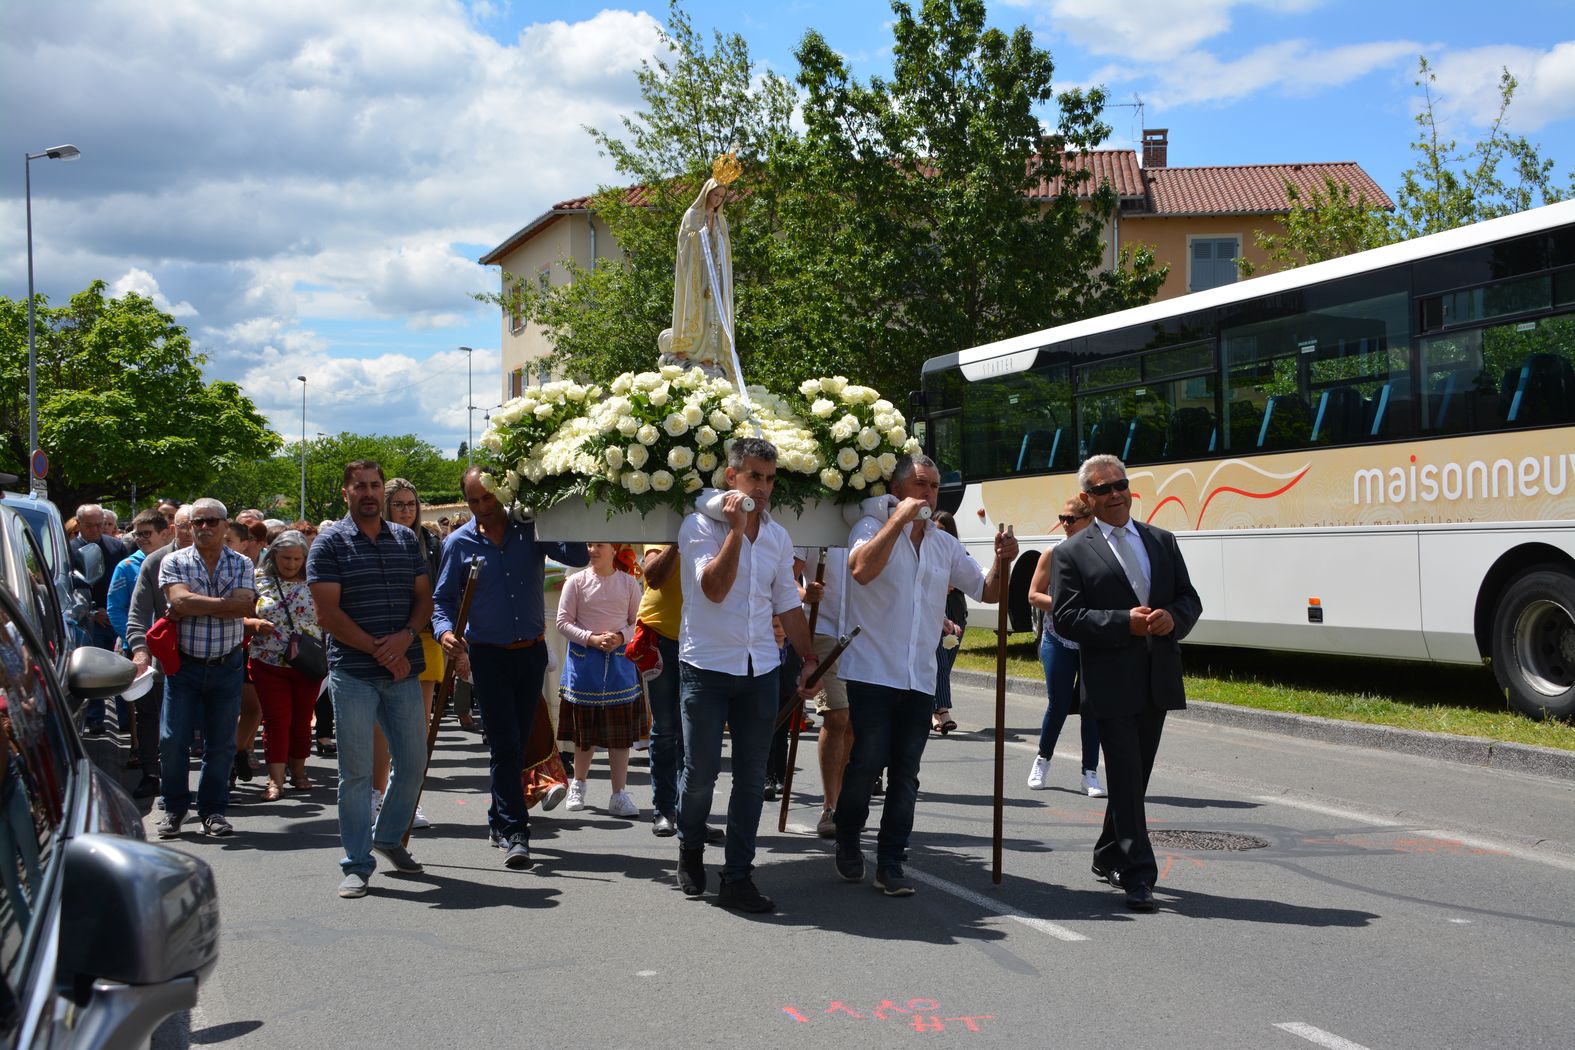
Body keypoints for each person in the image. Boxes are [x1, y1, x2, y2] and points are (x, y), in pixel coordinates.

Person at [832, 455, 1015, 897]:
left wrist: (1003, 561)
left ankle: (892, 861)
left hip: (919, 677)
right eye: (919, 484)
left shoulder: (943, 544)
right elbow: (860, 570)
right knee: (866, 764)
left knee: (907, 774)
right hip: (873, 672)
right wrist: (897, 521)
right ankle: (848, 838)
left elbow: (987, 591)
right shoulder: (870, 527)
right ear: (896, 489)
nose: (928, 494)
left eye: (934, 487)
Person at [1051, 454, 1202, 913]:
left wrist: (1170, 619)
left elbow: (1188, 598)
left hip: (1157, 677)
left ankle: (1107, 852)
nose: (1115, 494)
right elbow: (1067, 617)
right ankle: (1139, 875)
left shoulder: (1161, 540)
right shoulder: (1072, 553)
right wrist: (1124, 623)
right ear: (1087, 499)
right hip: (1109, 683)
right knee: (1125, 773)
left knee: (1134, 780)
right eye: (1103, 489)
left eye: (1121, 485)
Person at [674, 437, 816, 913]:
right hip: (707, 667)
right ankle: (691, 846)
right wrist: (735, 531)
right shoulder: (697, 526)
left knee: (752, 779)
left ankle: (737, 875)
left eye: (771, 478)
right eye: (756, 476)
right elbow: (713, 589)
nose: (765, 487)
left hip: (761, 668)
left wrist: (809, 658)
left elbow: (788, 604)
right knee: (701, 774)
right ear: (730, 477)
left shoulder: (776, 536)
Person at [433, 467, 588, 871]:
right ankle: (517, 831)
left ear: (502, 494)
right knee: (504, 744)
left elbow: (578, 555)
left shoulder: (529, 529)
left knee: (518, 743)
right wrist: (445, 632)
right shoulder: (457, 543)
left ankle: (498, 817)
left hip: (530, 653)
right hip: (488, 656)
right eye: (474, 502)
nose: (482, 508)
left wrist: (550, 512)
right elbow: (442, 601)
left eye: (488, 498)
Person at [308, 460, 433, 899]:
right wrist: (384, 650)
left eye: (374, 485)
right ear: (345, 493)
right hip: (355, 674)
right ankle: (357, 864)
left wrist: (402, 640)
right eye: (359, 486)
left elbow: (423, 598)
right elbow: (328, 615)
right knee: (357, 775)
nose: (368, 492)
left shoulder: (404, 539)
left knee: (413, 763)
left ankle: (388, 837)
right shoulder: (328, 543)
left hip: (403, 670)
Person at [155, 498, 256, 839]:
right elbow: (178, 600)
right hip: (184, 666)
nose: (204, 527)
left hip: (226, 665)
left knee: (221, 745)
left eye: (212, 521)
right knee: (172, 741)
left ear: (226, 526)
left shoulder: (241, 562)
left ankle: (213, 810)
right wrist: (227, 606)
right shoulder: (174, 561)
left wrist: (195, 605)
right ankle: (174, 808)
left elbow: (244, 605)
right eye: (198, 522)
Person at [370, 479, 444, 829]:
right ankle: (377, 795)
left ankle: (408, 800)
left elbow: (441, 591)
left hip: (424, 638)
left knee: (417, 728)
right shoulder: (370, 538)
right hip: (380, 641)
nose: (406, 510)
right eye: (398, 504)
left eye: (411, 504)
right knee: (382, 728)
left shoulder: (429, 542)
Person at [556, 543, 644, 817]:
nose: (592, 549)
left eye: (599, 545)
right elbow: (563, 622)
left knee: (620, 738)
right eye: (590, 544)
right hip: (585, 668)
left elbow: (638, 622)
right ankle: (578, 784)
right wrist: (591, 639)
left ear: (614, 550)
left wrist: (619, 637)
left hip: (619, 668)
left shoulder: (629, 583)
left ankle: (619, 793)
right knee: (585, 735)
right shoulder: (576, 581)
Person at [1026, 496, 1104, 796]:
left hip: (1091, 642)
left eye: (1072, 519)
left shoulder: (1100, 554)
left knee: (1091, 706)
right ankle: (1042, 760)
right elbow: (1034, 595)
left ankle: (1090, 773)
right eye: (1063, 518)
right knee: (1058, 703)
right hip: (1057, 639)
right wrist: (1065, 608)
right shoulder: (1053, 552)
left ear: (1089, 520)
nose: (1066, 524)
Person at [249, 531, 325, 801]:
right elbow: (240, 614)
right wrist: (253, 624)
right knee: (276, 721)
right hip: (267, 662)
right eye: (285, 558)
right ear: (273, 556)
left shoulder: (317, 580)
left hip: (307, 664)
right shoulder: (258, 580)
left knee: (302, 720)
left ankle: (300, 771)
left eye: (297, 558)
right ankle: (275, 779)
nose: (291, 564)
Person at [124, 505, 193, 799]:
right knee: (150, 717)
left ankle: (215, 783)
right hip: (163, 658)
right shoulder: (154, 563)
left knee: (197, 722)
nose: (194, 530)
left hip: (204, 658)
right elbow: (137, 614)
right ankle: (152, 774)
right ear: (172, 528)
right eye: (185, 525)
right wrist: (140, 650)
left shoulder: (222, 560)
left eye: (201, 523)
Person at [665, 161, 737, 383]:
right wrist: (698, 237)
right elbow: (684, 243)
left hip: (714, 272)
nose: (717, 200)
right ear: (707, 193)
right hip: (696, 273)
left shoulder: (721, 219)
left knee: (711, 313)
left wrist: (717, 242)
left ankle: (708, 354)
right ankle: (688, 349)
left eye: (721, 197)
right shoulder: (692, 215)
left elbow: (725, 249)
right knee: (695, 309)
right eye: (715, 195)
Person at [797, 547, 851, 839]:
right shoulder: (817, 522)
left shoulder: (871, 521)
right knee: (837, 715)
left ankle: (843, 800)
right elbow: (787, 578)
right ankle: (830, 805)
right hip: (822, 631)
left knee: (853, 723)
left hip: (862, 633)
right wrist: (805, 594)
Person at [70, 503, 131, 735]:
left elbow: (124, 581)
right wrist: (93, 612)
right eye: (90, 525)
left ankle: (125, 717)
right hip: (90, 618)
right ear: (79, 524)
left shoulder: (116, 546)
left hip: (116, 615)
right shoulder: (70, 549)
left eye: (100, 524)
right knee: (93, 670)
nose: (96, 529)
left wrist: (116, 610)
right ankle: (95, 717)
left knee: (122, 666)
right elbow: (71, 586)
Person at [637, 544, 683, 836]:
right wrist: (678, 541)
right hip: (664, 640)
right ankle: (664, 810)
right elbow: (653, 575)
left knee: (697, 733)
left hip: (705, 642)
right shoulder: (664, 523)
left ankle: (692, 812)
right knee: (666, 729)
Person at [930, 511, 966, 735]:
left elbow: (970, 579)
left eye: (942, 530)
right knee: (940, 664)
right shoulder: (926, 551)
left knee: (944, 667)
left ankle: (933, 713)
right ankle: (943, 711)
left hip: (956, 613)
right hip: (935, 613)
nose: (938, 535)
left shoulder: (958, 552)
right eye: (934, 529)